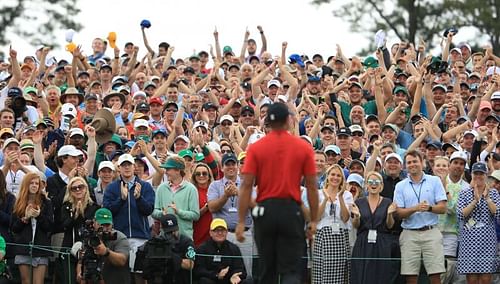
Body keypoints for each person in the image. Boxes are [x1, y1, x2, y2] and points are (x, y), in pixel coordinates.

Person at [237, 103, 319, 284]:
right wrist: (313, 220)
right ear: (288, 121)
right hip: (291, 210)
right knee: (290, 270)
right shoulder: (302, 147)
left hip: (265, 210)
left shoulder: (256, 148)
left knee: (268, 271)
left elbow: (246, 186)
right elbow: (312, 186)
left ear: (267, 122)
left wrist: (242, 221)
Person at [394, 150, 448, 284]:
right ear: (405, 166)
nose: (412, 164)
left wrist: (429, 208)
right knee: (410, 275)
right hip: (409, 233)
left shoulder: (434, 181)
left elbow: (443, 208)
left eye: (415, 161)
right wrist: (414, 209)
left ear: (422, 163)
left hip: (431, 232)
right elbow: (398, 214)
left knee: (435, 274)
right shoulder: (400, 186)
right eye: (409, 162)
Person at [102, 153, 155, 283]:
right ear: (119, 168)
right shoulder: (112, 187)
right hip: (119, 237)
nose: (127, 168)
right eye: (123, 165)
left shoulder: (145, 186)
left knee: (139, 274)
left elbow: (149, 210)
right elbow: (107, 211)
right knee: (120, 274)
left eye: (129, 165)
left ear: (134, 167)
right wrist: (121, 199)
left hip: (140, 237)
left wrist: (138, 198)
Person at [208, 153, 254, 276]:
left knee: (245, 272)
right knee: (223, 271)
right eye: (227, 164)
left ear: (238, 166)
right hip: (223, 234)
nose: (230, 167)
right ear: (222, 167)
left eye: (233, 164)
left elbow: (255, 206)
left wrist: (239, 193)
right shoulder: (215, 185)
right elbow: (212, 207)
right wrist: (225, 196)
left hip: (244, 234)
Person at [456, 162, 500, 284]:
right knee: (472, 278)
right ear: (471, 174)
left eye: (481, 174)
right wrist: (474, 201)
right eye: (476, 173)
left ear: (486, 175)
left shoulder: (494, 193)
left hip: (488, 241)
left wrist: (487, 199)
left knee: (486, 278)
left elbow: (498, 215)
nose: (478, 176)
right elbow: (460, 215)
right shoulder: (464, 193)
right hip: (469, 240)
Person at [351, 171, 397, 284]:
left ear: (381, 185)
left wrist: (390, 214)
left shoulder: (387, 202)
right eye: (370, 181)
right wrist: (356, 217)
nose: (374, 184)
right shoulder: (359, 202)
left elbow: (389, 226)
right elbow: (356, 225)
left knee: (381, 274)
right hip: (363, 242)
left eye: (377, 182)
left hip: (382, 242)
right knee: (362, 274)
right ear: (366, 185)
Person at [10, 172, 54, 284]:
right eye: (31, 183)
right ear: (26, 184)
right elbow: (14, 228)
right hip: (23, 247)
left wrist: (39, 216)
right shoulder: (18, 202)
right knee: (25, 281)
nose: (34, 185)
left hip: (40, 247)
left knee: (38, 282)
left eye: (37, 183)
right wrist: (25, 218)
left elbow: (49, 227)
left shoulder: (46, 202)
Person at [312, 164, 353, 283]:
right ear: (328, 176)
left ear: (342, 179)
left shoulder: (347, 195)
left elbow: (345, 218)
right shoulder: (318, 194)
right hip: (323, 235)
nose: (335, 178)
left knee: (339, 272)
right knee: (321, 271)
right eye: (333, 174)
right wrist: (325, 198)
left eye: (338, 175)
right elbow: (317, 217)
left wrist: (339, 197)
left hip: (340, 235)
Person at [60, 176, 100, 283]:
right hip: (69, 249)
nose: (78, 190)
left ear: (86, 188)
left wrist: (81, 213)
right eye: (74, 188)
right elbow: (64, 225)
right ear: (70, 191)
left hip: (87, 250)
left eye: (80, 187)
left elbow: (92, 225)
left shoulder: (94, 207)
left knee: (86, 280)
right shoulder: (66, 207)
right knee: (70, 280)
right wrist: (75, 214)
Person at [136, 214, 195, 284]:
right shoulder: (154, 243)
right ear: (162, 229)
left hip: (178, 279)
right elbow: (140, 268)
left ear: (178, 228)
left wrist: (170, 255)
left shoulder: (186, 242)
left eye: (174, 230)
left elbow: (190, 265)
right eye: (168, 232)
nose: (172, 234)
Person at [76, 208, 130, 284]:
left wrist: (106, 252)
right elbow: (81, 261)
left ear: (112, 224)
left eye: (107, 225)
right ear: (94, 223)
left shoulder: (119, 237)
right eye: (101, 225)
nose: (104, 228)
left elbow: (122, 260)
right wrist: (80, 274)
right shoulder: (90, 237)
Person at [152, 156, 200, 239]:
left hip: (184, 239)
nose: (165, 172)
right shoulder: (161, 188)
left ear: (178, 170)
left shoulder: (191, 189)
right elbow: (154, 212)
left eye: (168, 169)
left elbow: (195, 215)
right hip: (165, 239)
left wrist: (178, 212)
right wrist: (161, 213)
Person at [195, 218, 251, 284]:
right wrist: (216, 275)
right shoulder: (202, 248)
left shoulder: (234, 248)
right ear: (210, 233)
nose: (220, 233)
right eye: (216, 230)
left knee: (248, 280)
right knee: (204, 281)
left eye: (223, 230)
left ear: (227, 232)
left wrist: (235, 275)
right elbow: (198, 271)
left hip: (230, 281)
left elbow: (241, 269)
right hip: (212, 280)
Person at [191, 163, 214, 247]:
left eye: (204, 173)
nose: (201, 176)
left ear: (209, 176)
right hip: (198, 234)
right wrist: (207, 206)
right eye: (198, 174)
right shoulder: (192, 191)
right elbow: (192, 216)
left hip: (214, 234)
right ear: (194, 176)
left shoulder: (215, 190)